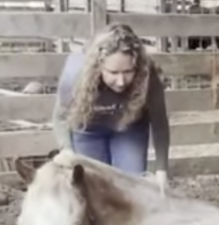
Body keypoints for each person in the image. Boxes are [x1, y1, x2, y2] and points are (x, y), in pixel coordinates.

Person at [51, 23, 170, 192]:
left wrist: (161, 171)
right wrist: (66, 150)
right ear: (98, 66)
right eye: (113, 73)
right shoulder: (75, 74)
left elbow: (159, 124)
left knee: (130, 189)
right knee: (94, 189)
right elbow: (60, 116)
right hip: (88, 129)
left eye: (128, 71)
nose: (121, 82)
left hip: (129, 127)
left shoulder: (148, 74)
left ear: (137, 65)